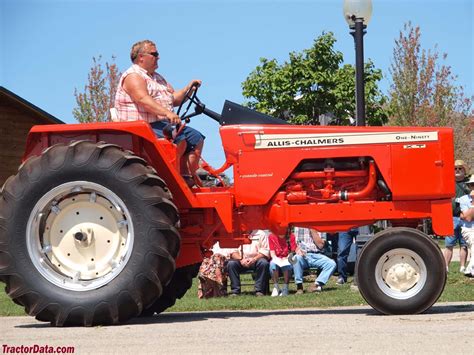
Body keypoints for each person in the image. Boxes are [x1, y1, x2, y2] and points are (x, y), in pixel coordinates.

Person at [114, 39, 205, 186]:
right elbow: (143, 99)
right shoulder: (133, 76)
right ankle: (171, 181)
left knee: (196, 138)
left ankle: (186, 176)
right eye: (154, 54)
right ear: (141, 57)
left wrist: (188, 88)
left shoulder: (158, 78)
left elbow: (174, 99)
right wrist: (168, 114)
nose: (158, 57)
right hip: (141, 127)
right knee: (178, 138)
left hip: (160, 124)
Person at [213, 230, 271, 296]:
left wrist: (254, 259)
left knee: (264, 263)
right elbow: (232, 251)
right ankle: (235, 291)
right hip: (240, 259)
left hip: (256, 259)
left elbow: (265, 251)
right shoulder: (236, 233)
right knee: (231, 264)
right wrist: (241, 259)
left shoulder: (261, 233)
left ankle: (259, 290)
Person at [444, 160, 470, 272]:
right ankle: (445, 267)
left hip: (465, 218)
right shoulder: (448, 183)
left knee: (464, 244)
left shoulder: (469, 184)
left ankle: (462, 267)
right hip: (452, 217)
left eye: (460, 168)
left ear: (464, 170)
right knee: (449, 244)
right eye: (455, 168)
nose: (458, 170)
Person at [292, 227, 336, 294]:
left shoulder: (320, 226)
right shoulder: (299, 226)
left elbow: (320, 245)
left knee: (331, 263)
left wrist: (313, 230)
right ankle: (299, 286)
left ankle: (316, 284)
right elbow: (294, 242)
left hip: (317, 255)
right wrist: (297, 250)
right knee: (296, 258)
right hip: (303, 255)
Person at [268, 230, 296, 297]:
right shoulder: (271, 236)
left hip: (287, 258)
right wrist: (277, 259)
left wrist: (286, 258)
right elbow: (272, 253)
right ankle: (276, 287)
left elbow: (292, 252)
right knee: (272, 264)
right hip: (276, 258)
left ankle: (285, 287)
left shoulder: (291, 236)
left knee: (287, 265)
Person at [459, 175, 474, 276]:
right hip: (469, 229)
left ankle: (470, 269)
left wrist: (465, 214)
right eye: (472, 185)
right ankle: (469, 269)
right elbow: (468, 218)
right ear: (469, 187)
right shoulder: (464, 199)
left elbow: (466, 215)